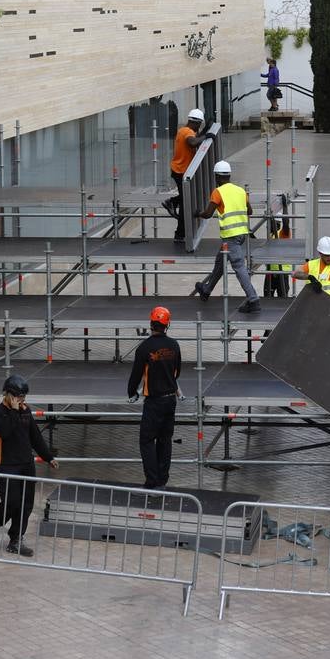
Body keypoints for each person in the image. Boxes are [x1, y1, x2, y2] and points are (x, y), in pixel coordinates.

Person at [0, 374, 58, 557]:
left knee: (26, 504)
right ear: (8, 395)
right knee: (11, 502)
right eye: (19, 396)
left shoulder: (25, 411)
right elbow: (5, 432)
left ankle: (16, 539)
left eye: (23, 397)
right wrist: (13, 411)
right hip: (8, 465)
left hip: (26, 463)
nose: (22, 400)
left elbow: (35, 436)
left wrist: (48, 457)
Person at [194, 160, 261, 313]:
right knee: (220, 261)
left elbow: (208, 213)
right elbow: (249, 212)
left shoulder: (218, 192)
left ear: (217, 177)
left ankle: (253, 299)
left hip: (231, 236)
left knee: (239, 267)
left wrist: (197, 213)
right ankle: (207, 289)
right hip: (241, 234)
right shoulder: (240, 191)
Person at [128, 306, 182, 489]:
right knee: (165, 441)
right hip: (170, 400)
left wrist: (131, 392)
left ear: (151, 323)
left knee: (147, 440)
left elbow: (136, 375)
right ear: (167, 325)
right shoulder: (174, 345)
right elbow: (177, 372)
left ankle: (151, 481)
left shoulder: (144, 348)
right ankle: (162, 480)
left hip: (154, 402)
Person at [162, 109, 207, 242]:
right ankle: (179, 234)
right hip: (181, 171)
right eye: (199, 125)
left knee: (185, 200)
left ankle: (172, 202)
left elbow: (193, 140)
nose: (199, 128)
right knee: (185, 203)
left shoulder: (185, 131)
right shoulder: (187, 132)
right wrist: (206, 137)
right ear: (196, 122)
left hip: (181, 171)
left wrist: (203, 135)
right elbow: (192, 142)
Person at [291, 236, 330, 300]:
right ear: (320, 253)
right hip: (314, 302)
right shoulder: (311, 264)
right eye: (327, 255)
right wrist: (310, 277)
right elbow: (294, 274)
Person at [264, 193, 291, 298]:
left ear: (277, 224)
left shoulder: (283, 234)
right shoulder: (270, 235)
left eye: (271, 223)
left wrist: (284, 206)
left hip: (282, 273)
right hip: (270, 272)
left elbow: (286, 223)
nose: (269, 225)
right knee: (266, 298)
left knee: (282, 300)